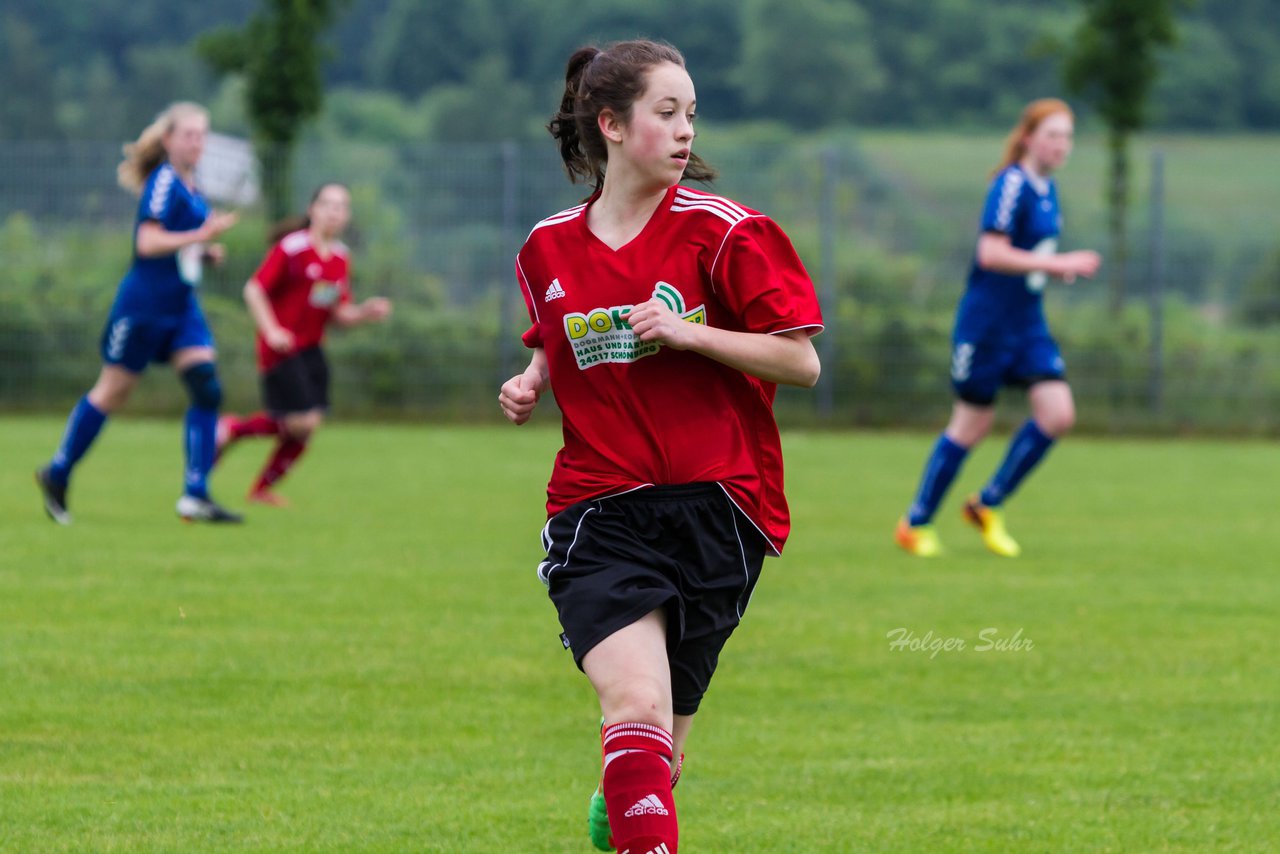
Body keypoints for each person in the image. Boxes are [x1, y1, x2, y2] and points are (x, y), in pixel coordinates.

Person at [499, 39, 822, 854]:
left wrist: (691, 333)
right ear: (611, 123)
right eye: (666, 113)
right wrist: (533, 375)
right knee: (635, 708)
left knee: (656, 757)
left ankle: (621, 823)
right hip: (598, 509)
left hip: (721, 509)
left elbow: (801, 360)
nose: (686, 133)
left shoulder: (726, 232)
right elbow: (560, 324)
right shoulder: (546, 248)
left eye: (692, 115)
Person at [895, 98, 1102, 558]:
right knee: (971, 426)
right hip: (986, 327)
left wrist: (1051, 269)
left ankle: (987, 504)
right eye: (1052, 135)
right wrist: (1054, 263)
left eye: (1068, 136)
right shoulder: (1010, 185)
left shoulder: (1049, 190)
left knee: (1058, 414)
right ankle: (916, 522)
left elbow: (1030, 259)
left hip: (1028, 324)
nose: (1061, 145)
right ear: (1028, 137)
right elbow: (991, 253)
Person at [35, 102, 242, 524]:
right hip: (144, 308)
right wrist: (200, 234)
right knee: (113, 393)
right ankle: (58, 472)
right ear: (168, 139)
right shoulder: (163, 181)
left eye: (203, 135)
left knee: (206, 386)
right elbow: (148, 243)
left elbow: (180, 244)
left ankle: (195, 494)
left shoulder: (192, 184)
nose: (197, 142)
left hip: (181, 307)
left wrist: (204, 252)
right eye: (189, 134)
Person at [215, 182, 392, 505]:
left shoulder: (340, 258)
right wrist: (271, 331)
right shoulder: (292, 248)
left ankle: (260, 489)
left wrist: (364, 312)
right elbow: (254, 290)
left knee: (306, 428)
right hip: (282, 349)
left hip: (311, 348)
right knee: (300, 421)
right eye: (327, 205)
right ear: (313, 209)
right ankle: (230, 429)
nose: (334, 212)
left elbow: (337, 314)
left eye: (341, 207)